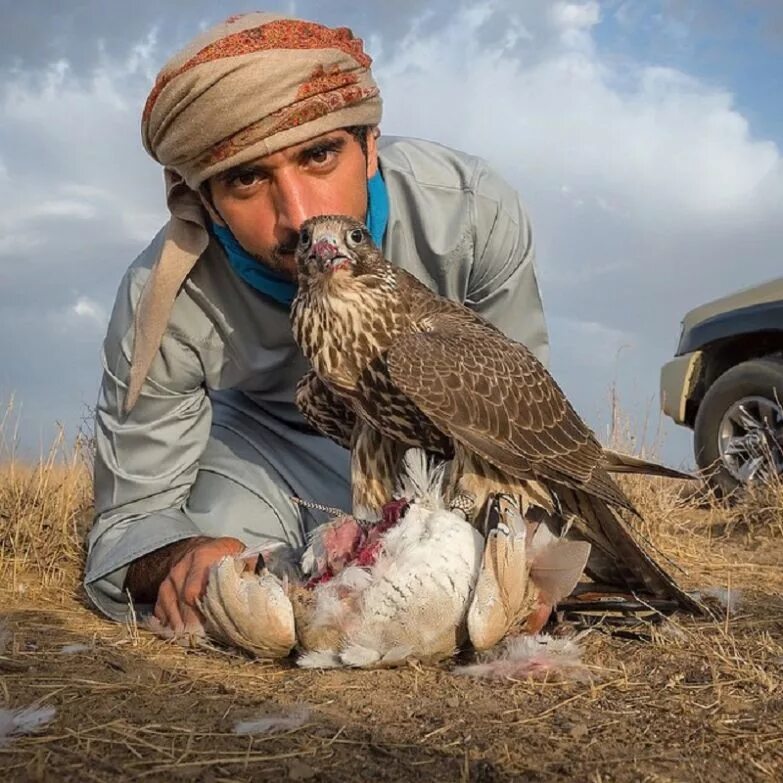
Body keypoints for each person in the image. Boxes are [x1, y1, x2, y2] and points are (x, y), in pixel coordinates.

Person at [84, 11, 549, 635]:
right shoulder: (163, 302)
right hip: (269, 457)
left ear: (370, 147)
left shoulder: (470, 214)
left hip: (453, 458)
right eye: (248, 178)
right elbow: (132, 519)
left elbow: (526, 429)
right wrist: (180, 558)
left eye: (321, 155)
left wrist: (524, 542)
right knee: (238, 592)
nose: (299, 215)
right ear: (204, 199)